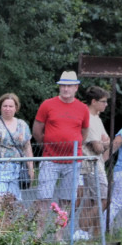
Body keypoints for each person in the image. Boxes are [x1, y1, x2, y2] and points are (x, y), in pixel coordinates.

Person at [32, 71, 90, 231]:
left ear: (76, 87)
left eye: (69, 86)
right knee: (43, 197)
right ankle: (39, 234)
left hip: (72, 161)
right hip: (50, 159)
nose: (66, 89)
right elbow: (37, 131)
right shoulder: (47, 105)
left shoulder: (82, 108)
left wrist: (73, 144)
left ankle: (58, 236)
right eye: (63, 85)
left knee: (66, 200)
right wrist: (50, 144)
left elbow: (84, 132)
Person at [0, 93, 34, 206]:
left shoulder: (22, 125)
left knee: (12, 204)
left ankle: (8, 224)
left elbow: (27, 148)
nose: (7, 109)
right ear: (0, 107)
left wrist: (31, 168)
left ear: (16, 108)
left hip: (17, 170)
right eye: (5, 106)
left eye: (11, 106)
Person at [79, 86, 111, 237]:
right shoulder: (89, 119)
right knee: (103, 199)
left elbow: (107, 140)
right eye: (103, 101)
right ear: (94, 101)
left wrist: (104, 143)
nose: (106, 105)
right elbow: (98, 147)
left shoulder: (97, 118)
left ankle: (96, 234)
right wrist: (103, 144)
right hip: (90, 165)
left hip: (98, 164)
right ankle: (82, 228)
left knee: (94, 200)